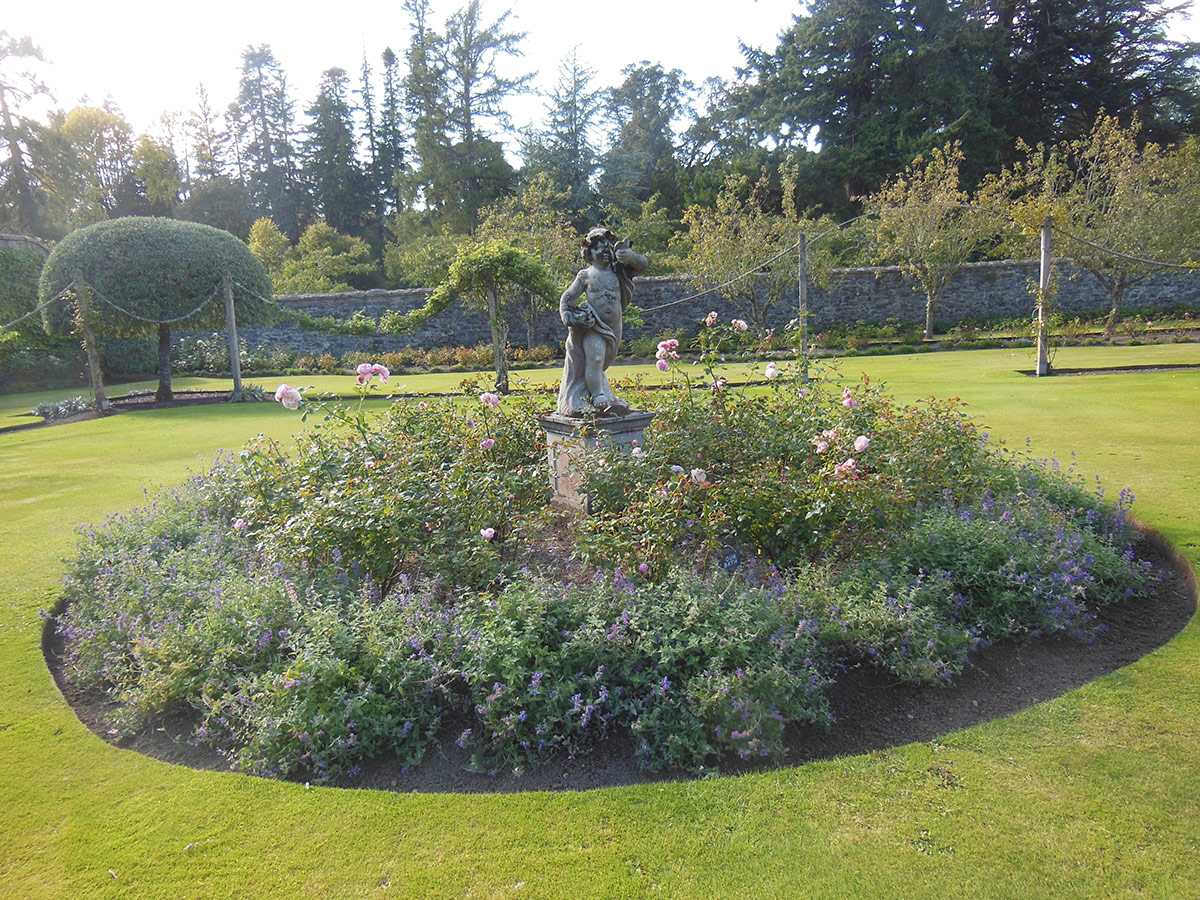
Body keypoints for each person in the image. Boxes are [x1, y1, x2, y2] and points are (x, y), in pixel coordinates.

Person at [556, 227, 648, 416]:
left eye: (608, 248)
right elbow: (567, 297)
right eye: (599, 248)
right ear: (589, 253)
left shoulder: (619, 271)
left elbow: (642, 264)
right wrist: (567, 314)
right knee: (595, 358)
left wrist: (629, 255)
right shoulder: (586, 275)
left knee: (605, 359)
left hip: (614, 325)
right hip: (594, 325)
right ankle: (598, 395)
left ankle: (598, 391)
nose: (605, 252)